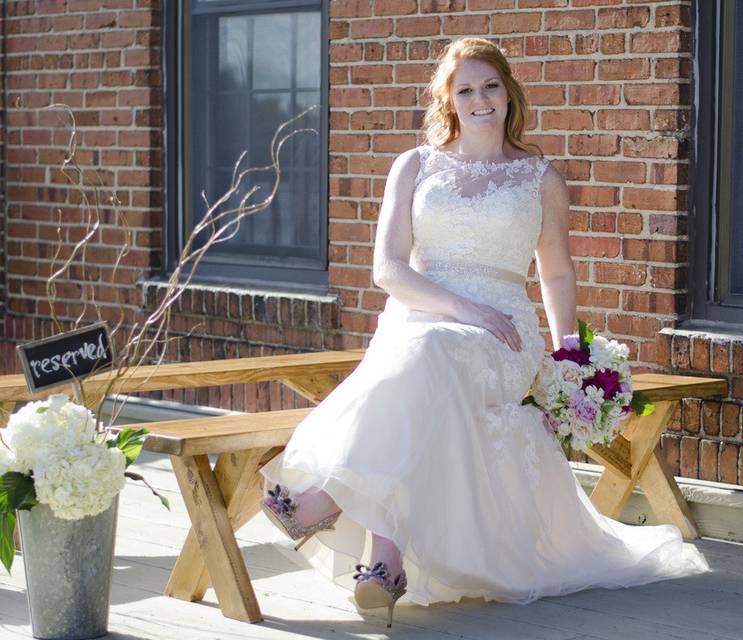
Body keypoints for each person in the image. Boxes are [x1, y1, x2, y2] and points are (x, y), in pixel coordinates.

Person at [260, 37, 709, 627]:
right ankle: (385, 563)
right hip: (420, 314)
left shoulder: (539, 178)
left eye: (490, 86)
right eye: (465, 89)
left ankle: (329, 508)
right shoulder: (414, 165)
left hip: (503, 330)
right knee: (420, 357)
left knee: (423, 359)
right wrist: (457, 308)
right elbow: (387, 269)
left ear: (508, 92)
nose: (480, 99)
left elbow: (555, 271)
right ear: (447, 100)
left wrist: (567, 355)